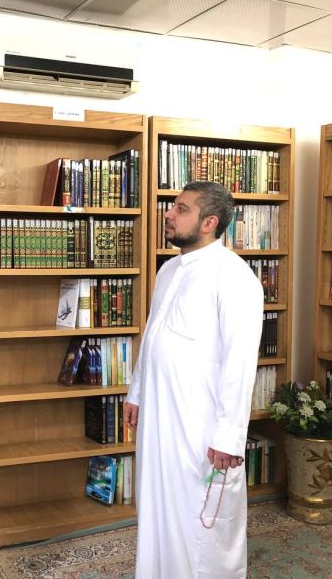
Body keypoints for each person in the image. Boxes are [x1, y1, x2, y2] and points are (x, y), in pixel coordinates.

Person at [125, 181, 264, 578]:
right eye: (173, 206)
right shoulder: (168, 270)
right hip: (159, 417)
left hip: (199, 425)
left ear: (209, 222)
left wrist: (228, 437)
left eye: (181, 209)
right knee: (157, 506)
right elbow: (153, 336)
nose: (168, 214)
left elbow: (240, 362)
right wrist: (137, 392)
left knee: (202, 520)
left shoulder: (235, 277)